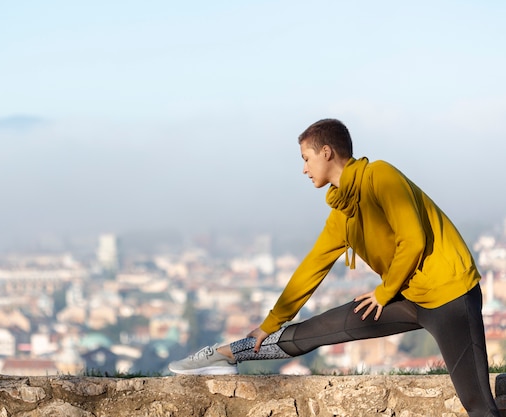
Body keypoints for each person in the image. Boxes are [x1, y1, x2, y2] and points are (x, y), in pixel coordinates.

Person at [168, 118, 500, 416]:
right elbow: (312, 267)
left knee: (479, 407)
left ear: (326, 152)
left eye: (305, 158)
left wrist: (384, 293)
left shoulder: (380, 176)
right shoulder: (342, 212)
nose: (303, 169)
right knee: (314, 331)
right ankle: (226, 355)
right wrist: (271, 321)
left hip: (450, 296)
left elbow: (412, 239)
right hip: (407, 296)